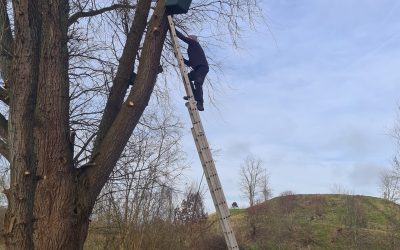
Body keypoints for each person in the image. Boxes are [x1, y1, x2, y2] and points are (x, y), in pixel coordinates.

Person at [175, 29, 209, 111]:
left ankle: (200, 103)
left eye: (189, 38)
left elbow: (182, 37)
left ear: (192, 39)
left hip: (202, 67)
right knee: (187, 78)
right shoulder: (191, 49)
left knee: (198, 82)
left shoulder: (194, 43)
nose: (188, 38)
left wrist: (173, 28)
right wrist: (180, 58)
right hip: (197, 69)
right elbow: (190, 63)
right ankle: (192, 94)